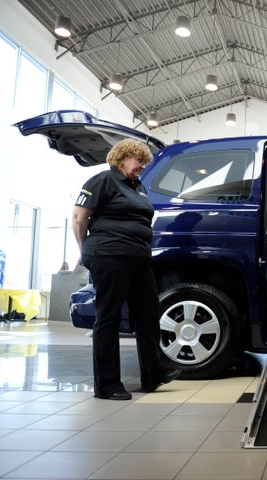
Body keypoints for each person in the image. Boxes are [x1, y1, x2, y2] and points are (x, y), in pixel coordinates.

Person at [72, 138, 180, 400]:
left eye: (144, 161)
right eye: (139, 160)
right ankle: (107, 385)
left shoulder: (138, 187)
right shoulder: (103, 180)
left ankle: (153, 374)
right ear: (122, 158)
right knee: (108, 318)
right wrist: (85, 251)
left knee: (148, 314)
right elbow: (78, 217)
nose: (142, 165)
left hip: (138, 258)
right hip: (109, 255)